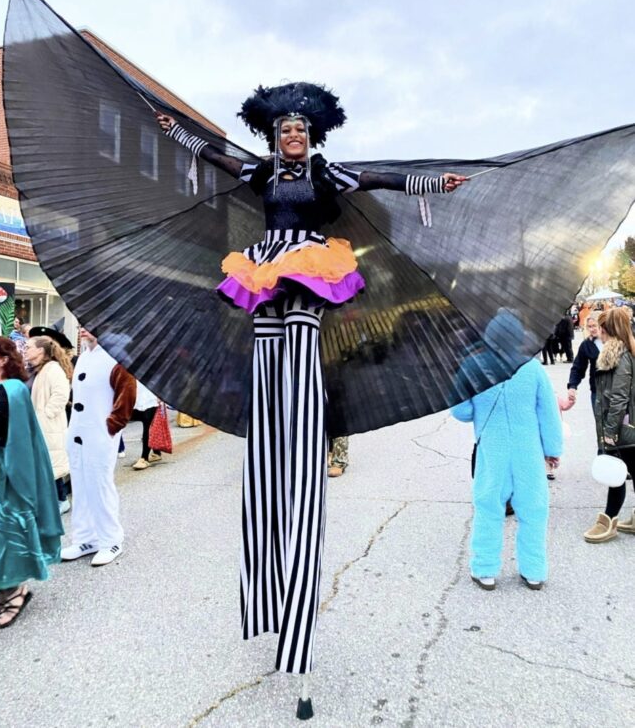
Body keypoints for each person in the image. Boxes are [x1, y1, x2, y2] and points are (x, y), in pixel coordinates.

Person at [157, 82, 466, 677]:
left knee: (299, 334)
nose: (292, 138)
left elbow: (381, 178)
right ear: (274, 138)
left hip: (311, 265)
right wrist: (170, 130)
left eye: (299, 131)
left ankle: (307, 423)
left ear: (312, 136)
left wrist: (436, 183)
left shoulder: (328, 175)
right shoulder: (263, 174)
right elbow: (210, 154)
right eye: (284, 132)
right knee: (267, 340)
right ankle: (272, 420)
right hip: (266, 263)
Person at [451, 312, 563, 590]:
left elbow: (461, 411)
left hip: (493, 447)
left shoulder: (472, 365)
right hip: (528, 449)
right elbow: (548, 412)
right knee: (534, 509)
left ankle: (485, 569)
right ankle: (534, 571)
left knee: (489, 506)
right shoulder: (533, 368)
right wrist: (552, 449)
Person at [0, 337, 62, 628]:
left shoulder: (13, 389)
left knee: (3, 533)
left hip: (7, 471)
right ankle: (3, 590)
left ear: (3, 359)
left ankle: (16, 591)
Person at [61, 329, 136, 566]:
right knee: (81, 485)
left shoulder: (116, 357)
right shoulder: (84, 356)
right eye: (81, 324)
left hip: (100, 432)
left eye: (89, 324)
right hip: (78, 431)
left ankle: (111, 540)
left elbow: (127, 393)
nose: (84, 328)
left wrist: (112, 425)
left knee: (100, 485)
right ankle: (85, 538)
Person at [583, 308, 635, 542]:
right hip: (629, 427)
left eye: (602, 328)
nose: (599, 332)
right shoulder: (626, 351)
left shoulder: (620, 355)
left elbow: (619, 397)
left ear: (608, 330)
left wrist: (610, 433)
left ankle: (608, 521)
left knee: (617, 474)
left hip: (623, 429)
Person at [25, 335, 72, 514]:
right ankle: (48, 500)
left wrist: (46, 415)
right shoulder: (34, 368)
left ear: (40, 350)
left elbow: (61, 394)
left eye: (29, 346)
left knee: (52, 463)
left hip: (48, 425)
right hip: (36, 424)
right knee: (43, 463)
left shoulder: (53, 369)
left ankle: (61, 500)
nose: (25, 349)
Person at [567, 311, 602, 412]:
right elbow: (578, 367)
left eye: (594, 325)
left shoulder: (614, 341)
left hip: (617, 390)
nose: (592, 329)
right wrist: (572, 386)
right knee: (601, 424)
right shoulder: (586, 344)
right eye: (589, 326)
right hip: (597, 389)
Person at [130, 380, 161, 470]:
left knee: (148, 425)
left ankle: (144, 458)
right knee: (149, 424)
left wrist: (161, 395)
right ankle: (156, 452)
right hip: (136, 395)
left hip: (150, 397)